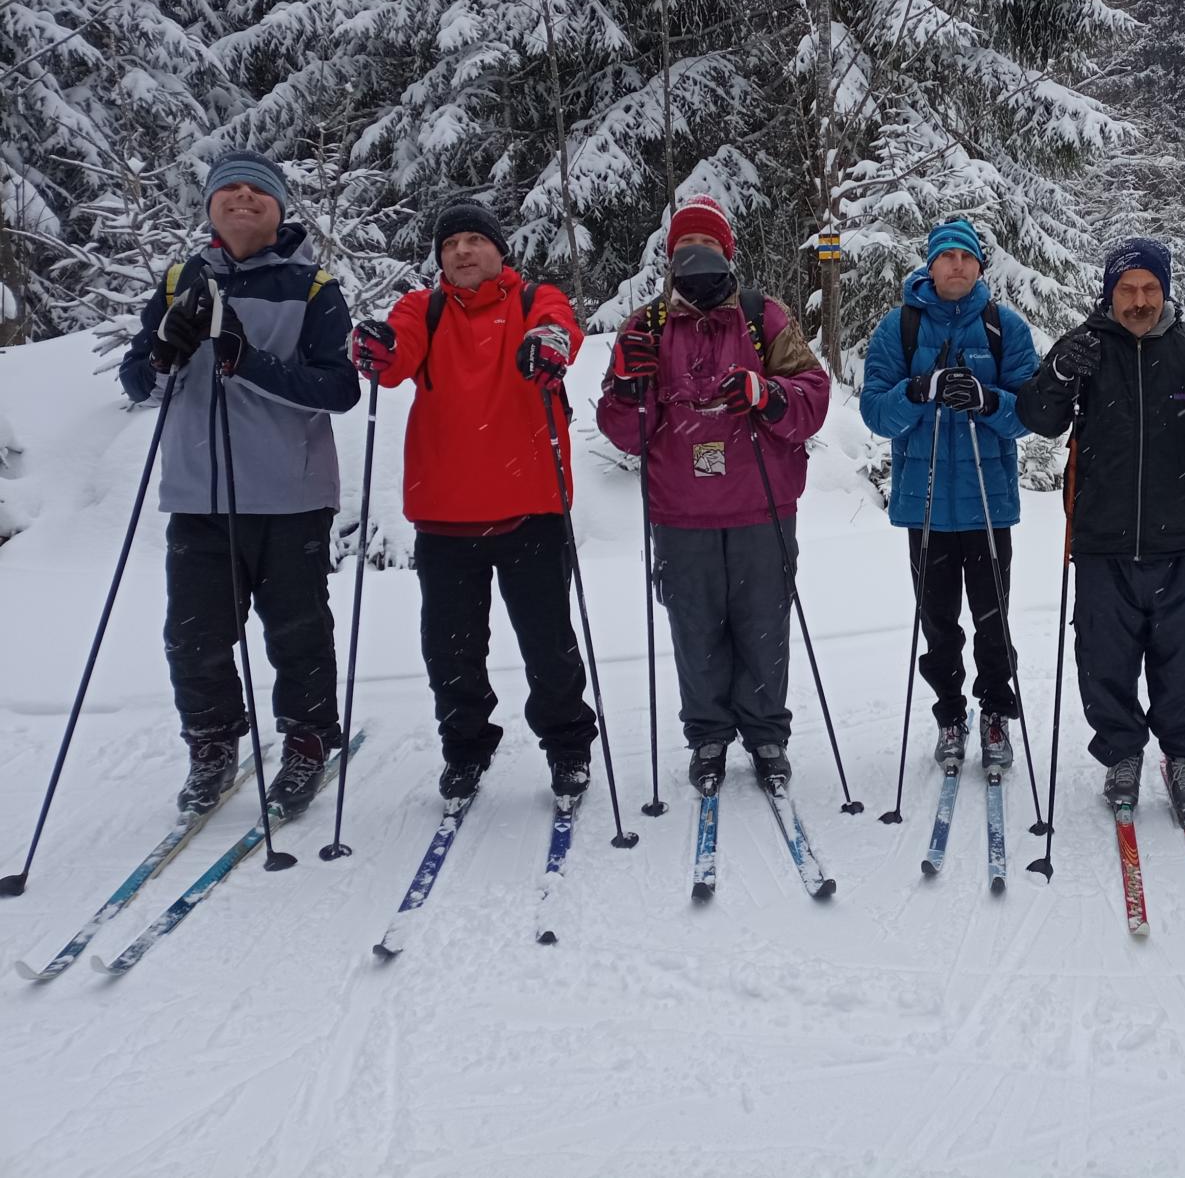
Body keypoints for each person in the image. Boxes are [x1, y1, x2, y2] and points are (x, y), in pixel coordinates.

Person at [117, 151, 360, 817]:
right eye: (230, 191)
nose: (243, 200)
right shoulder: (177, 280)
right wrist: (165, 352)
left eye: (259, 191)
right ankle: (212, 743)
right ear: (211, 208)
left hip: (292, 496)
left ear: (280, 208)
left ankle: (307, 741)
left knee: (298, 633)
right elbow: (138, 382)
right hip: (199, 494)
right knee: (193, 636)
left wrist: (249, 362)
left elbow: (339, 388)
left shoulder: (313, 285)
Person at [348, 204, 598, 804]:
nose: (462, 251)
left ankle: (568, 749)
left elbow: (561, 326)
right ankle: (464, 750)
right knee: (450, 650)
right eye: (451, 243)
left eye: (475, 240)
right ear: (439, 258)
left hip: (530, 508)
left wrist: (550, 342)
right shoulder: (422, 309)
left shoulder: (534, 299)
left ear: (499, 250)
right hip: (445, 516)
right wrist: (376, 346)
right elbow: (395, 355)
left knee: (549, 644)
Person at [1015, 237, 1185, 818]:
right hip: (1102, 536)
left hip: (1184, 536)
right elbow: (1037, 417)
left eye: (1150, 288)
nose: (1139, 300)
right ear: (1110, 292)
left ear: (1165, 290)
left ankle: (1183, 759)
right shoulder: (1085, 345)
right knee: (1104, 654)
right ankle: (1122, 753)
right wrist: (1056, 374)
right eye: (1128, 289)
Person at [596, 195, 831, 795]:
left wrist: (766, 393)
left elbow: (813, 397)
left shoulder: (764, 317)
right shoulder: (645, 326)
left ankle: (765, 736)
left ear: (727, 253)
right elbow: (626, 432)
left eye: (705, 248)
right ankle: (707, 737)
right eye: (682, 251)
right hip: (681, 510)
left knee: (763, 627)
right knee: (694, 630)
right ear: (670, 260)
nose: (694, 259)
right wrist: (626, 386)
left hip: (762, 506)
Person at [859, 219, 1040, 771]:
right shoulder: (901, 329)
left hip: (988, 506)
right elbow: (875, 411)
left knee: (993, 620)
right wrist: (918, 391)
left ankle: (994, 713)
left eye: (967, 257)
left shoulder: (1004, 327)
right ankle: (950, 716)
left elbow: (1031, 414)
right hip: (927, 504)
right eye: (947, 257)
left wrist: (988, 401)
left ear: (980, 268)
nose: (957, 266)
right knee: (938, 622)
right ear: (930, 266)